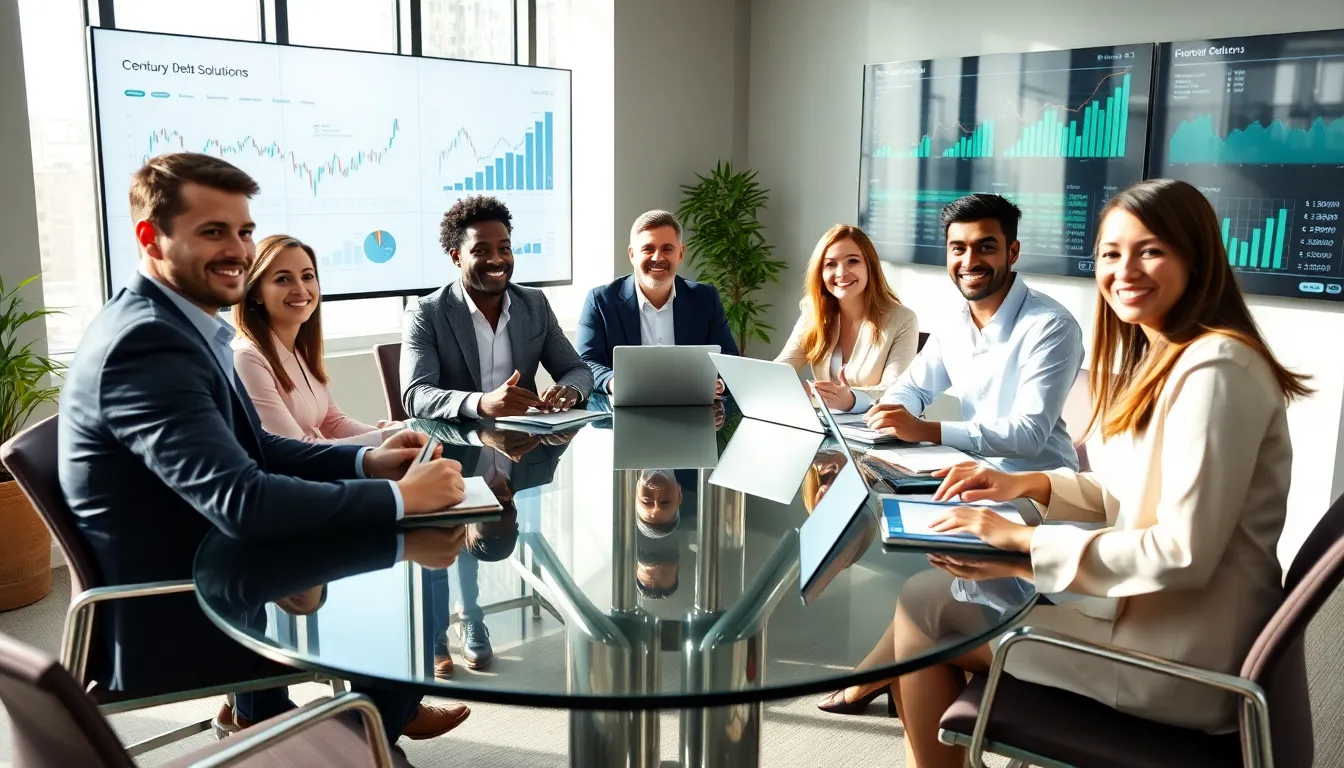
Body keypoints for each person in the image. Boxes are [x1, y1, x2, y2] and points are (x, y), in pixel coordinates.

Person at [873, 178, 1310, 768]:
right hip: (1157, 623)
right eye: (1110, 254)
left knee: (924, 613)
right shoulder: (1172, 356)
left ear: (1197, 255)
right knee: (926, 596)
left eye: (1150, 249)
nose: (1125, 269)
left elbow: (1181, 552)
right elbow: (1131, 493)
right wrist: (1031, 484)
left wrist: (1023, 542)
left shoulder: (1217, 371)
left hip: (1174, 661)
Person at [58, 152, 472, 742]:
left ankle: (358, 717)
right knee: (395, 553)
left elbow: (257, 448)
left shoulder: (180, 326)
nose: (238, 249)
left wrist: (368, 460)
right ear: (150, 238)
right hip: (180, 606)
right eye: (213, 232)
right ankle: (348, 724)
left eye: (244, 230)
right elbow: (242, 500)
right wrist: (399, 498)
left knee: (398, 540)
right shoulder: (148, 345)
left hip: (218, 561)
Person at [864, 194, 1085, 472]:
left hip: (1040, 491)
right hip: (974, 475)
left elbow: (1028, 435)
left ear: (1013, 252)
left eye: (985, 247)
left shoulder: (1052, 325)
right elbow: (914, 387)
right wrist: (891, 415)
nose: (969, 261)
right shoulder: (953, 322)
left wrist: (925, 430)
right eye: (958, 248)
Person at [402, 195, 593, 419]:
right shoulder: (426, 313)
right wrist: (480, 403)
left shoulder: (534, 304)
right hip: (457, 444)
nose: (496, 260)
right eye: (481, 251)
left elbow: (577, 370)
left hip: (524, 443)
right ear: (457, 257)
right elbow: (416, 395)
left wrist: (569, 390)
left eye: (504, 248)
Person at [233, 234, 394, 445]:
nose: (301, 289)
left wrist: (396, 436)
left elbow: (333, 422)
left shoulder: (301, 348)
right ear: (256, 293)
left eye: (308, 276)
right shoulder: (247, 358)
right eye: (283, 279)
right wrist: (382, 438)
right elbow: (296, 447)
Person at [576, 210, 739, 395]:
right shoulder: (600, 301)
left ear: (680, 253)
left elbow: (728, 359)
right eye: (648, 249)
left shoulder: (706, 298)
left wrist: (719, 382)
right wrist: (614, 382)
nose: (657, 258)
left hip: (691, 407)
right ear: (632, 254)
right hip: (625, 409)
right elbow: (586, 362)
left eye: (667, 249)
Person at [775, 224, 920, 411]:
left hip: (874, 429)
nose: (841, 273)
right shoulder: (814, 310)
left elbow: (897, 391)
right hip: (825, 426)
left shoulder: (903, 319)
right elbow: (784, 365)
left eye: (852, 261)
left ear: (870, 266)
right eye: (830, 264)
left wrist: (852, 399)